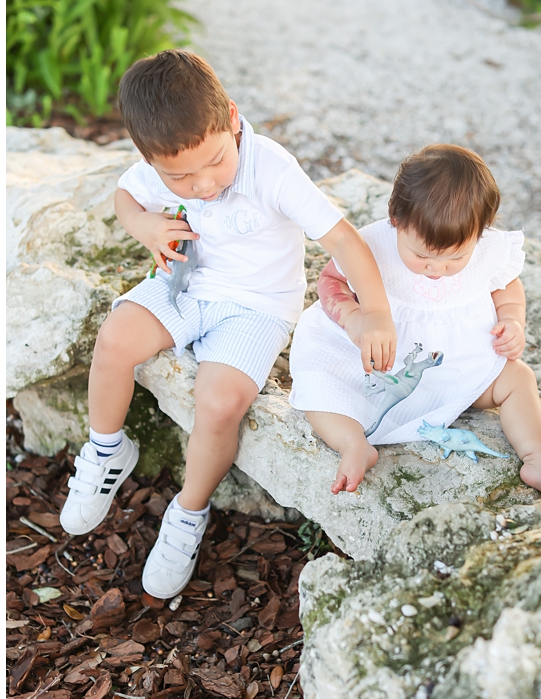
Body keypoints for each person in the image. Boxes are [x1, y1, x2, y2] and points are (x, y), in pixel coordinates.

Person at [57, 50, 396, 599]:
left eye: (214, 162)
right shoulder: (163, 164)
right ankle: (106, 449)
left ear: (232, 119)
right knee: (115, 337)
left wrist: (377, 311)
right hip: (189, 284)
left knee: (219, 403)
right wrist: (145, 223)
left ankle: (189, 511)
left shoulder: (273, 169)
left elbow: (341, 239)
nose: (202, 184)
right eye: (179, 177)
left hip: (257, 306)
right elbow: (127, 195)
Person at [288, 144, 541, 497]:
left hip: (457, 358)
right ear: (397, 219)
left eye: (456, 258)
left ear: (481, 232)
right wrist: (354, 318)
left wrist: (513, 321)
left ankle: (539, 458)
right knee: (319, 387)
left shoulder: (486, 250)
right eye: (422, 255)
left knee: (518, 378)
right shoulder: (374, 244)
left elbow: (506, 287)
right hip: (380, 362)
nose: (436, 269)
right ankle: (353, 444)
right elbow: (331, 281)